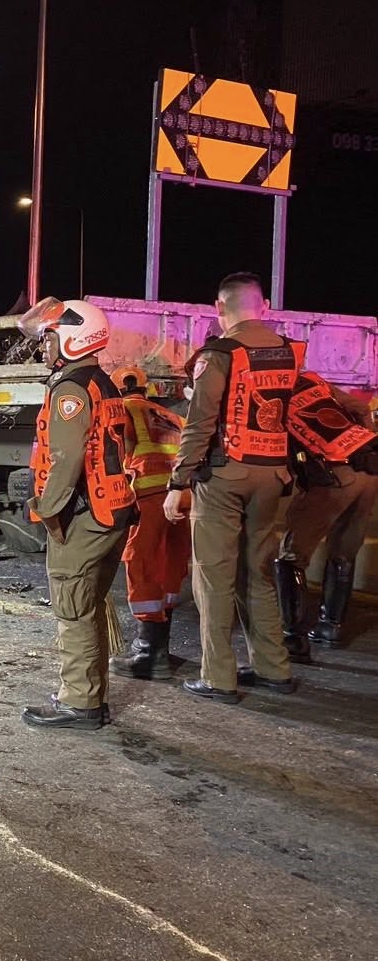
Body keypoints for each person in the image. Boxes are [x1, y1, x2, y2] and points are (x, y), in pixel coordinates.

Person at [165, 272, 303, 702]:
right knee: (258, 573)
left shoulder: (219, 353)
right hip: (273, 475)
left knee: (213, 577)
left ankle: (218, 677)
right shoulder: (288, 351)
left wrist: (178, 481)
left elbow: (200, 424)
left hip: (225, 476)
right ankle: (273, 668)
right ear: (264, 306)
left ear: (219, 307)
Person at [18, 297, 137, 730]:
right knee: (89, 607)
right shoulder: (103, 383)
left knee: (73, 610)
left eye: (49, 338)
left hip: (85, 516)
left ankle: (80, 704)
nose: (43, 347)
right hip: (113, 510)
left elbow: (66, 459)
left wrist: (46, 510)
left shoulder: (71, 389)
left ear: (73, 337)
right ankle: (91, 698)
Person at [275, 370, 378, 657]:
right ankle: (331, 626)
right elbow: (360, 408)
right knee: (344, 550)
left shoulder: (266, 390)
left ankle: (292, 636)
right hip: (368, 467)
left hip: (333, 474)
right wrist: (361, 443)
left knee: (291, 554)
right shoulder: (312, 380)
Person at [109, 364, 191, 680]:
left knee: (142, 567)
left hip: (148, 498)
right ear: (145, 388)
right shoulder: (171, 415)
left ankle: (148, 653)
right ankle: (159, 649)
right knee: (170, 567)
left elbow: (117, 453)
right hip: (181, 499)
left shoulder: (121, 410)